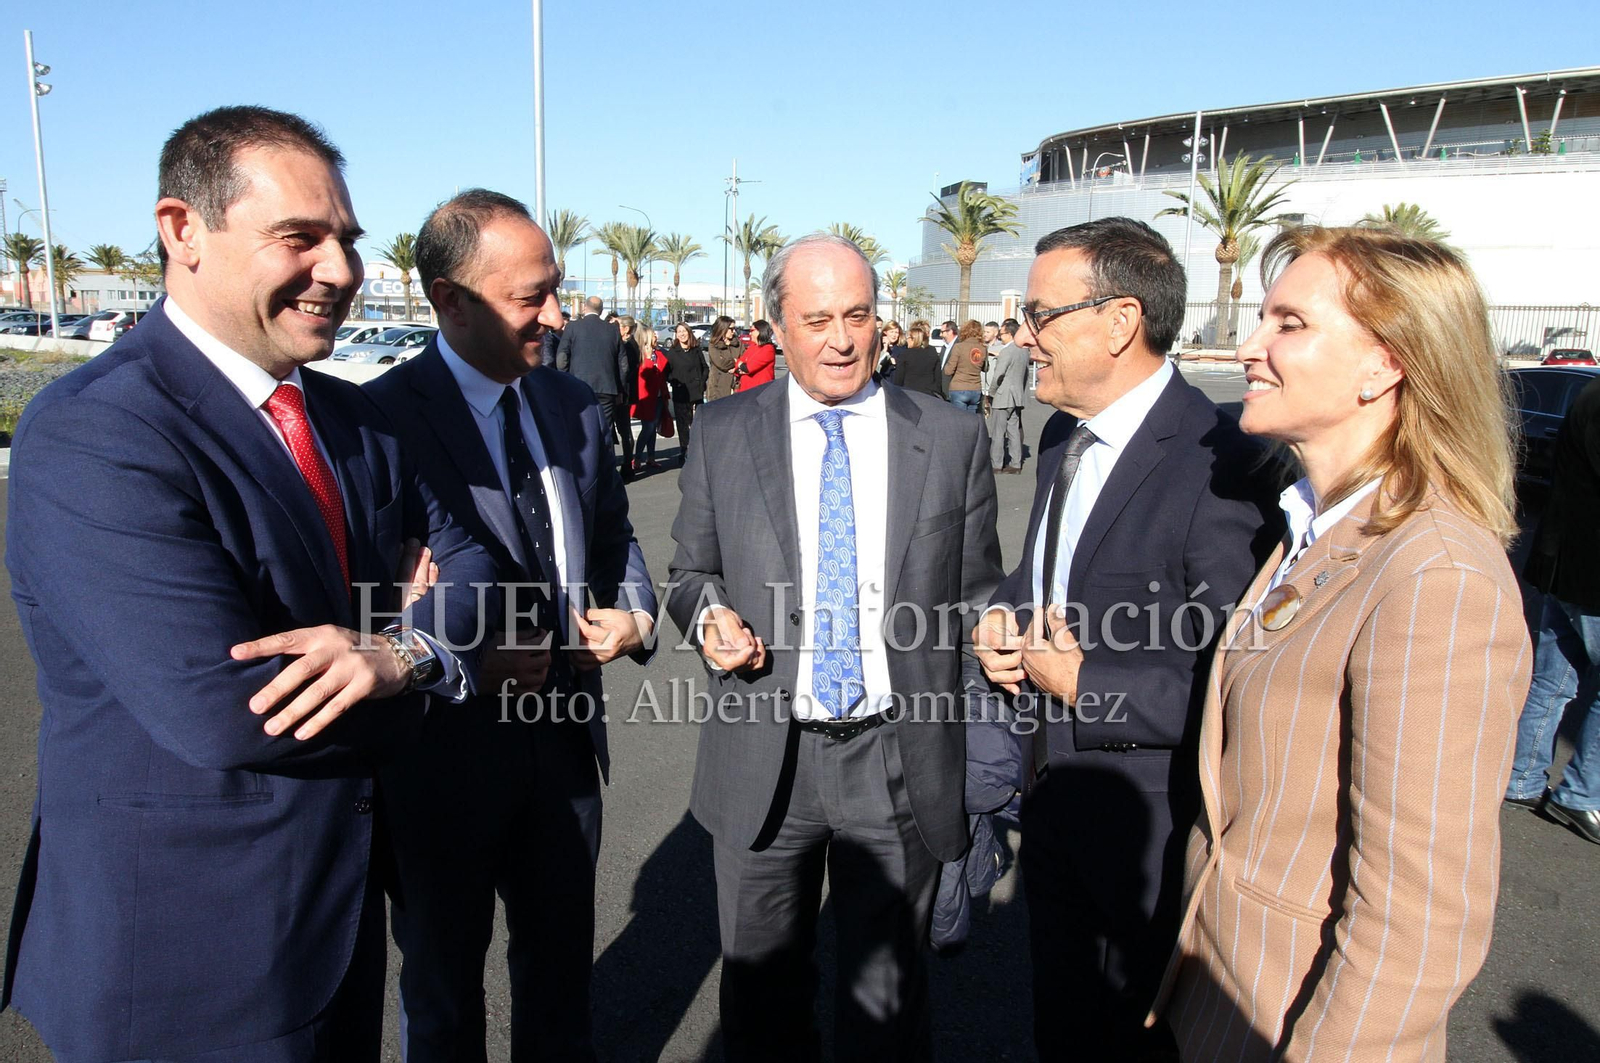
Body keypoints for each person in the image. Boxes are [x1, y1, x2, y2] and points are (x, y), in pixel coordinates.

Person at [1, 105, 498, 1063]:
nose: (342, 271)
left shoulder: (363, 423)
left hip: (335, 927)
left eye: (346, 241)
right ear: (182, 229)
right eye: (299, 239)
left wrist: (400, 650)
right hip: (185, 962)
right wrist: (416, 669)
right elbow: (225, 711)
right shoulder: (98, 434)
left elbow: (477, 570)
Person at [1148, 225, 1533, 1061]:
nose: (1249, 346)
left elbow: (1418, 924)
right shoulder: (1311, 527)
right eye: (1263, 319)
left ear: (1385, 364)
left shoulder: (1438, 574)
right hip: (1220, 999)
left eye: (1290, 323)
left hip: (1302, 1025)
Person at [666, 233, 1002, 1061]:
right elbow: (687, 571)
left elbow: (977, 588)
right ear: (777, 325)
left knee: (885, 1013)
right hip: (763, 760)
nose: (842, 339)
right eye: (817, 319)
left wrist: (1001, 627)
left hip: (899, 754)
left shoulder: (950, 439)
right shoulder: (721, 431)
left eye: (857, 314)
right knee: (760, 1009)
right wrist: (708, 617)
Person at [971, 217, 1282, 1061]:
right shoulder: (1060, 435)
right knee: (1062, 1030)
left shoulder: (1220, 460)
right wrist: (1000, 614)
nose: (1024, 334)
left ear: (1119, 321)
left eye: (1041, 314)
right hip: (1052, 807)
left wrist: (1084, 684)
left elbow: (1243, 685)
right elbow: (1043, 573)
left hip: (1148, 840)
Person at [365, 189, 655, 1062]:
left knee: (561, 978)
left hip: (564, 738)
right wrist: (448, 651)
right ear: (449, 300)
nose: (557, 316)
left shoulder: (570, 403)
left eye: (555, 290)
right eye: (532, 297)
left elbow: (612, 534)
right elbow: (362, 593)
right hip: (440, 750)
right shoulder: (380, 420)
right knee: (445, 993)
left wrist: (635, 609)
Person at [1507, 373, 1600, 842]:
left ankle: (1521, 778)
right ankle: (1581, 796)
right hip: (1587, 574)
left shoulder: (1587, 397)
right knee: (1561, 682)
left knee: (1554, 679)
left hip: (1562, 566)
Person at [556, 296, 629, 470]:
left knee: (579, 428)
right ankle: (606, 470)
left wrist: (563, 380)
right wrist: (621, 389)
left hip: (577, 386)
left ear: (584, 308)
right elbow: (623, 364)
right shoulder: (612, 330)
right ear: (601, 310)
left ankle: (582, 469)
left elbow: (562, 357)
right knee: (605, 430)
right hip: (606, 388)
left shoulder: (573, 327)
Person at [986, 318, 1027, 473]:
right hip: (1016, 397)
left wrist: (991, 393)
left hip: (1002, 397)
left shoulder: (1007, 351)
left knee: (997, 432)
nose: (1000, 337)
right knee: (1014, 431)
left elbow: (998, 375)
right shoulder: (1023, 351)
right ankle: (1016, 464)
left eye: (1002, 334)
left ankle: (996, 464)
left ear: (1009, 334)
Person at [664, 321, 707, 463]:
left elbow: (705, 368)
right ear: (676, 335)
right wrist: (674, 382)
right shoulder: (672, 353)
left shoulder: (696, 350)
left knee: (697, 423)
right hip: (681, 393)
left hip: (696, 392)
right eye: (679, 332)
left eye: (684, 331)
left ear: (689, 333)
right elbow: (666, 373)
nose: (682, 334)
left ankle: (697, 450)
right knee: (683, 424)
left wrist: (701, 381)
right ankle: (684, 450)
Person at [631, 325, 670, 471]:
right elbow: (645, 376)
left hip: (659, 397)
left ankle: (651, 457)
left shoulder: (658, 354)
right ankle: (637, 457)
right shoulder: (641, 356)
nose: (656, 337)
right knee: (647, 427)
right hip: (646, 398)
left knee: (652, 428)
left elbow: (662, 371)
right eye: (654, 335)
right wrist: (648, 359)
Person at [614, 314, 641, 480]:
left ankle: (627, 463)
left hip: (623, 393)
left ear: (625, 328)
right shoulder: (630, 344)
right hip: (624, 392)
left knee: (624, 430)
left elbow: (626, 370)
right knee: (625, 430)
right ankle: (627, 462)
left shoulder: (629, 345)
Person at [942, 319, 986, 412]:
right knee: (971, 420)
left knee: (960, 420)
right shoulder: (983, 348)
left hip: (959, 388)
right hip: (976, 389)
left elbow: (948, 371)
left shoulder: (959, 347)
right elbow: (986, 368)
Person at [892, 320, 944, 398]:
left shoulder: (905, 355)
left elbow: (899, 379)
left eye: (908, 338)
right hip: (929, 394)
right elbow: (938, 377)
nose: (907, 340)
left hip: (910, 394)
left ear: (914, 339)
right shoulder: (932, 352)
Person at [705, 314, 742, 401]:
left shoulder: (738, 344)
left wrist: (736, 366)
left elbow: (746, 361)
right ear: (723, 329)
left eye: (734, 329)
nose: (733, 331)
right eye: (731, 329)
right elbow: (722, 364)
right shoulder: (714, 345)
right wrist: (736, 362)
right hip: (718, 388)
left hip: (735, 387)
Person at [736, 318, 777, 392]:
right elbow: (738, 363)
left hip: (759, 392)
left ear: (760, 331)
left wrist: (741, 365)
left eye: (752, 330)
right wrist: (739, 365)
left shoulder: (768, 349)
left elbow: (748, 368)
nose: (750, 333)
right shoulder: (752, 346)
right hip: (745, 391)